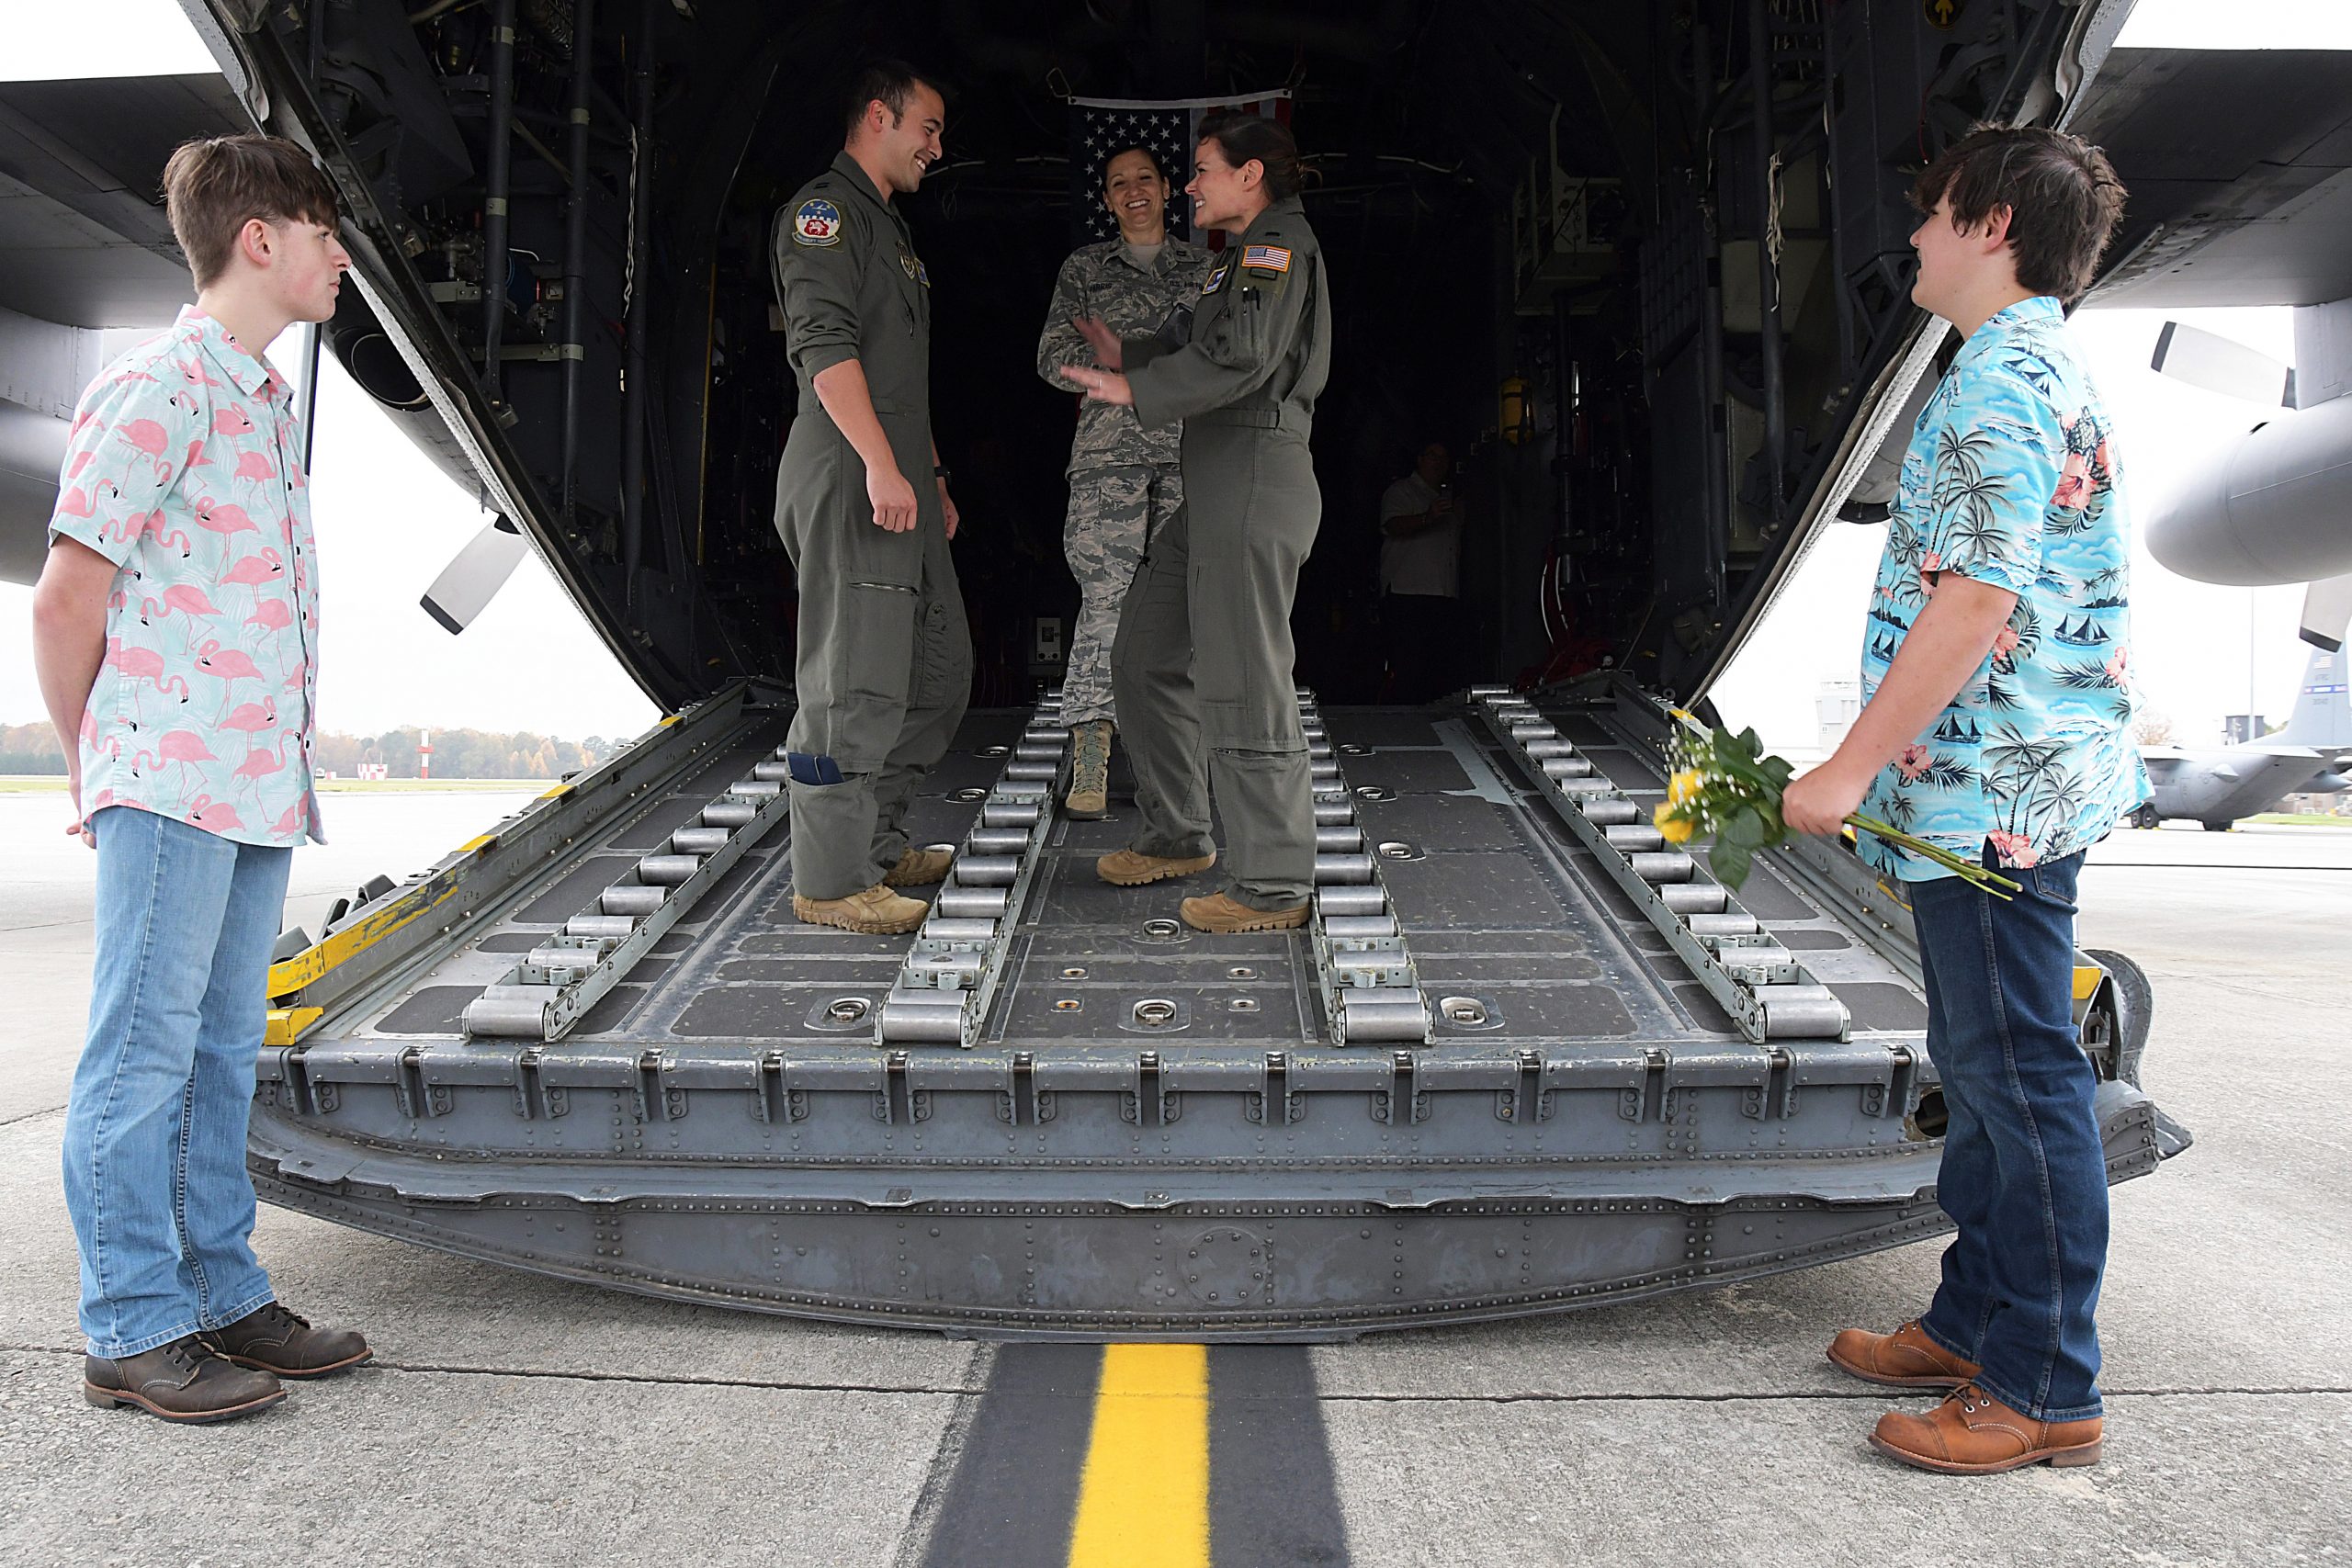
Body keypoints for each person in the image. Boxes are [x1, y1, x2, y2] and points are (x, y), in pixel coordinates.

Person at [1781, 124, 2144, 1474]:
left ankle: (2044, 1384)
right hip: (2004, 779)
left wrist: (1848, 764)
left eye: (1936, 215)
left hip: (1995, 790)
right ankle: (1975, 1314)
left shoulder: (2001, 384)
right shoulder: (2017, 362)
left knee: (2022, 1077)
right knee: (1989, 1068)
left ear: (1992, 225)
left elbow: (1976, 600)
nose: (1919, 238)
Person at [30, 133, 372, 1424]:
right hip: (172, 780)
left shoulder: (261, 399)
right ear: (262, 239)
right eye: (327, 231)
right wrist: (94, 757)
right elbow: (69, 597)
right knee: (140, 1057)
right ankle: (130, 1322)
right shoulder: (160, 385)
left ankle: (221, 1290)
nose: (344, 256)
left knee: (223, 1051)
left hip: (253, 783)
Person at [1063, 113, 1330, 933]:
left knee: (1244, 675)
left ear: (1251, 175)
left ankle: (1274, 881)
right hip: (1210, 480)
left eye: (1203, 169)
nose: (1189, 185)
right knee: (1142, 649)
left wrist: (1135, 394)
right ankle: (1180, 832)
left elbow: (1243, 354)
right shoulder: (1235, 260)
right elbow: (1191, 337)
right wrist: (1128, 359)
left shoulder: (1278, 245)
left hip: (1252, 473)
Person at [771, 60, 973, 934]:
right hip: (854, 475)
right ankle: (829, 878)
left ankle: (877, 841)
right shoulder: (823, 215)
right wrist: (882, 468)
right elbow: (825, 349)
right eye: (927, 128)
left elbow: (904, 383)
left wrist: (927, 474)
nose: (937, 147)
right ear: (879, 117)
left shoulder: (887, 230)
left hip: (898, 479)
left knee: (937, 672)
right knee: (849, 681)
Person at [1037, 146, 1213, 818]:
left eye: (1145, 179)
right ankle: (1091, 758)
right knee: (1106, 603)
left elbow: (1224, 357)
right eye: (1119, 184)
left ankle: (1165, 764)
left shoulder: (1206, 269)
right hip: (1109, 459)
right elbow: (1051, 356)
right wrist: (1133, 372)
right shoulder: (1084, 269)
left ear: (1168, 188)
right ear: (1106, 200)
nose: (1134, 192)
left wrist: (1134, 360)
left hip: (1186, 457)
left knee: (1175, 615)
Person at [1377, 440, 1465, 702]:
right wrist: (1427, 517)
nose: (1438, 462)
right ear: (1419, 459)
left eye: (1444, 458)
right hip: (1408, 592)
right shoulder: (1402, 491)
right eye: (1432, 456)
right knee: (1409, 669)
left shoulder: (1449, 499)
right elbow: (1392, 525)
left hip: (1444, 594)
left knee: (1438, 669)